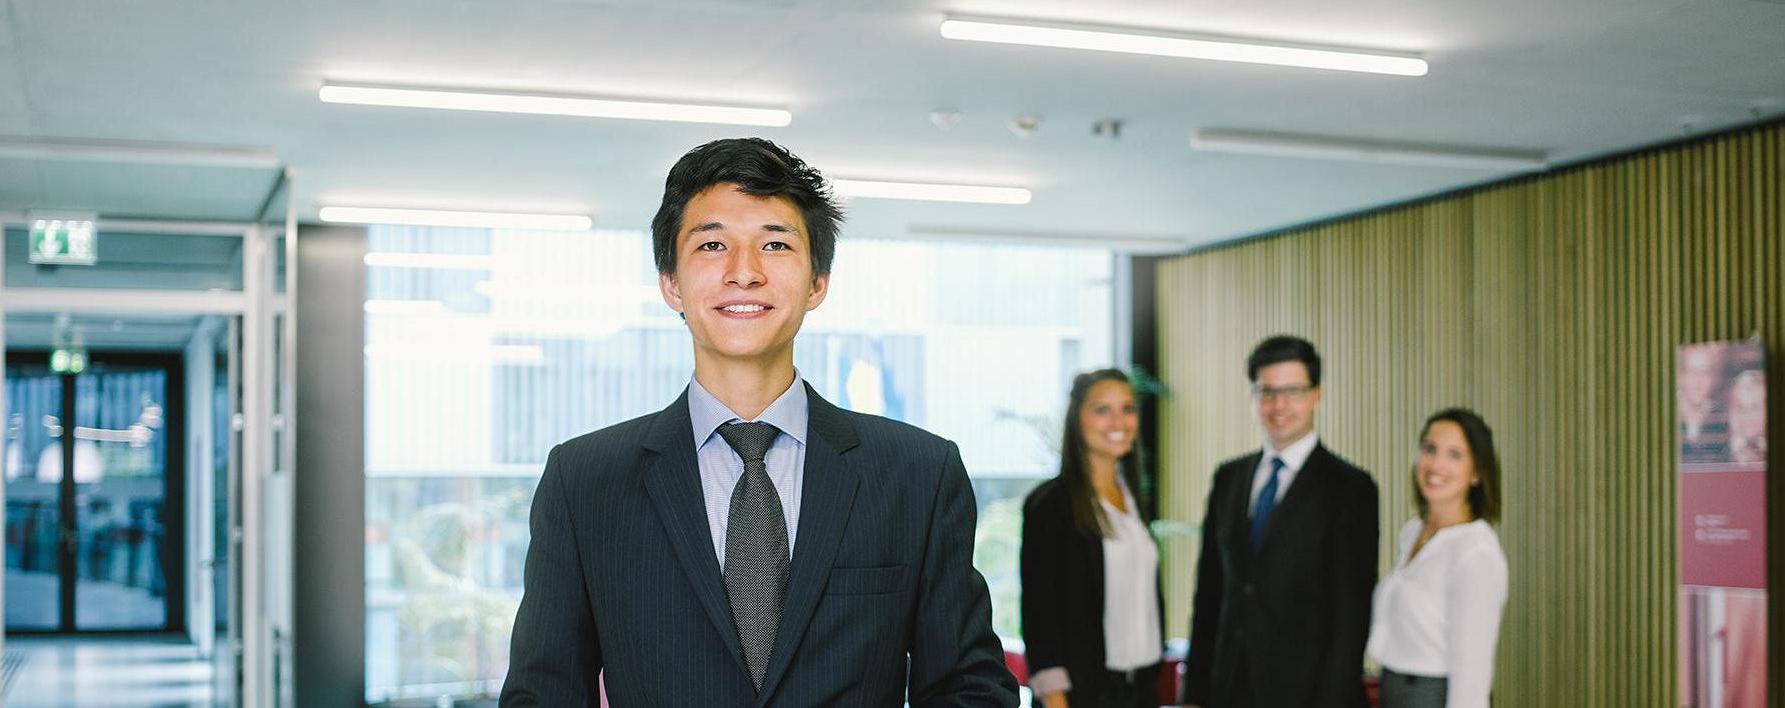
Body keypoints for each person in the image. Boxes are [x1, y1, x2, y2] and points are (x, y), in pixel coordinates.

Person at [500, 138, 1017, 707]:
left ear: (818, 282)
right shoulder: (585, 481)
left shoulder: (917, 473)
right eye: (713, 244)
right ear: (670, 283)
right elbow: (542, 694)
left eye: (774, 244)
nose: (743, 272)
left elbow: (971, 687)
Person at [1182, 335, 1378, 707]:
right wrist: (1194, 693)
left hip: (1307, 693)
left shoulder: (1350, 487)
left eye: (1293, 391)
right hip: (1228, 689)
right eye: (1267, 392)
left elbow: (1351, 614)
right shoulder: (1228, 479)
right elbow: (1209, 596)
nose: (1279, 405)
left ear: (1316, 394)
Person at [1020, 369, 1164, 708]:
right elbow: (1039, 614)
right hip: (1084, 694)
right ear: (1077, 419)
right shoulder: (1051, 504)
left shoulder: (1133, 501)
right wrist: (1055, 699)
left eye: (1127, 409)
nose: (1119, 420)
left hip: (1141, 688)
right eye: (1102, 410)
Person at [1367, 408, 1509, 708]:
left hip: (1431, 696)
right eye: (1430, 449)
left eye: (1455, 455)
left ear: (1476, 472)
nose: (1437, 464)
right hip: (1393, 688)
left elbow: (1472, 672)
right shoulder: (1413, 532)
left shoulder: (1476, 552)